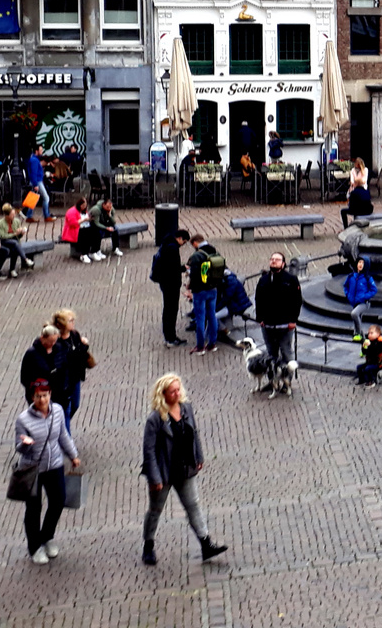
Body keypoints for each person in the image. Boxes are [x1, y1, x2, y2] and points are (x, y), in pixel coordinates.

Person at [140, 374, 226, 565]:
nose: (177, 394)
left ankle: (206, 543)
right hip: (164, 472)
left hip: (185, 468)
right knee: (155, 510)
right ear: (163, 394)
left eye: (178, 389)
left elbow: (193, 433)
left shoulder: (186, 408)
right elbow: (149, 450)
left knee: (193, 506)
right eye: (173, 391)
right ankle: (148, 545)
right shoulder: (155, 419)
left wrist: (199, 456)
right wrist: (155, 478)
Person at [13, 380, 79, 564]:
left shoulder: (57, 411)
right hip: (33, 468)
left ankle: (46, 537)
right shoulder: (23, 419)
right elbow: (19, 447)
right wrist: (24, 444)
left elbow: (63, 435)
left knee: (58, 501)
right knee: (34, 508)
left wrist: (73, 455)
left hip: (55, 464)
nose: (42, 399)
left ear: (50, 394)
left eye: (45, 395)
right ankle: (34, 547)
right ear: (32, 397)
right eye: (38, 396)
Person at [254, 252, 301, 387]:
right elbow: (259, 299)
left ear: (283, 263)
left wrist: (293, 320)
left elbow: (297, 301)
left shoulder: (291, 279)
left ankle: (287, 381)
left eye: (277, 260)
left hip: (285, 325)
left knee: (286, 353)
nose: (274, 261)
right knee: (271, 355)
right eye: (272, 259)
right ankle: (272, 381)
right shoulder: (263, 280)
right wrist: (260, 318)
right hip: (268, 325)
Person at [152, 228, 189, 348]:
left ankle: (170, 336)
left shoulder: (166, 243)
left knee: (168, 309)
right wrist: (184, 268)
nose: (183, 245)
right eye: (184, 242)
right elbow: (173, 268)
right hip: (171, 284)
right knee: (171, 310)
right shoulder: (172, 248)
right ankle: (170, 337)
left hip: (164, 282)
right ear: (179, 238)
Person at [186, 235, 221, 356]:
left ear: (195, 242)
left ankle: (200, 346)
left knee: (200, 318)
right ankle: (212, 344)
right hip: (213, 288)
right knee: (212, 316)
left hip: (200, 291)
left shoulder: (197, 256)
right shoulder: (213, 250)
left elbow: (194, 274)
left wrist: (189, 285)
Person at [20, 325, 69, 411]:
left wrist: (65, 385)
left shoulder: (59, 348)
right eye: (50, 341)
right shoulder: (31, 354)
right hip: (41, 395)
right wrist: (37, 390)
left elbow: (65, 368)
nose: (53, 344)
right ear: (43, 338)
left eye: (55, 341)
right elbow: (25, 377)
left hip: (58, 393)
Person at [344, 255, 378, 342]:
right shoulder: (351, 276)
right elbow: (345, 286)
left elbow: (374, 290)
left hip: (364, 303)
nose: (360, 265)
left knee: (354, 314)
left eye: (363, 263)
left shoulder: (367, 278)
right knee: (358, 320)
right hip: (354, 302)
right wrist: (348, 295)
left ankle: (358, 333)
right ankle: (365, 343)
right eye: (359, 262)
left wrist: (365, 296)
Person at [0, 203, 33, 276]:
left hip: (14, 242)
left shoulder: (17, 221)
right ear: (6, 215)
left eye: (14, 214)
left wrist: (21, 233)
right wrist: (15, 234)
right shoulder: (0, 223)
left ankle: (12, 269)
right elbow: (2, 236)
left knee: (15, 247)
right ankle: (25, 259)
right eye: (12, 215)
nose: (14, 216)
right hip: (3, 242)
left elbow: (18, 237)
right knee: (15, 243)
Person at [341, 158, 372, 227]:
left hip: (358, 207)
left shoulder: (365, 170)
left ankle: (346, 227)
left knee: (351, 208)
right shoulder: (367, 192)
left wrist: (356, 182)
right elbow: (352, 180)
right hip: (368, 209)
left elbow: (364, 180)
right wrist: (354, 182)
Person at [25, 147, 52, 223]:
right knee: (46, 198)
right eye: (41, 150)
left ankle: (29, 216)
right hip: (37, 181)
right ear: (36, 151)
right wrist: (35, 184)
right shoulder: (34, 160)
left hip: (37, 181)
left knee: (34, 198)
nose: (42, 151)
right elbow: (33, 173)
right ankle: (46, 215)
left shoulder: (34, 159)